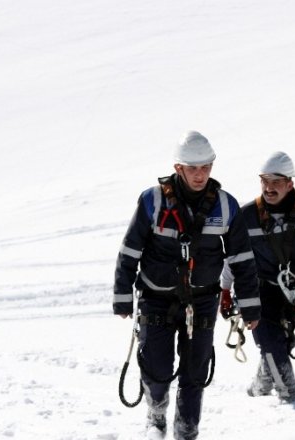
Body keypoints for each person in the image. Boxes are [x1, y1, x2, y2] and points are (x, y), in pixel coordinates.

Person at [113, 131, 261, 439]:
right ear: (178, 168)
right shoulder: (152, 201)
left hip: (203, 302)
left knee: (195, 375)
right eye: (193, 168)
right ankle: (156, 413)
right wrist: (122, 296)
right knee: (157, 371)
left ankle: (186, 431)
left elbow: (243, 261)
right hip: (156, 299)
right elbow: (130, 250)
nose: (200, 174)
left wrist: (250, 306)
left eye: (205, 167)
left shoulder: (226, 206)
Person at [220, 151, 295, 403]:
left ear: (290, 183)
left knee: (282, 343)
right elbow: (234, 256)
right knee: (269, 341)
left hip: (294, 290)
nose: (269, 188)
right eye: (265, 181)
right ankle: (289, 393)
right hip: (257, 289)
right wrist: (225, 289)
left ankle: (260, 387)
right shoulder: (246, 215)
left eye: (276, 182)